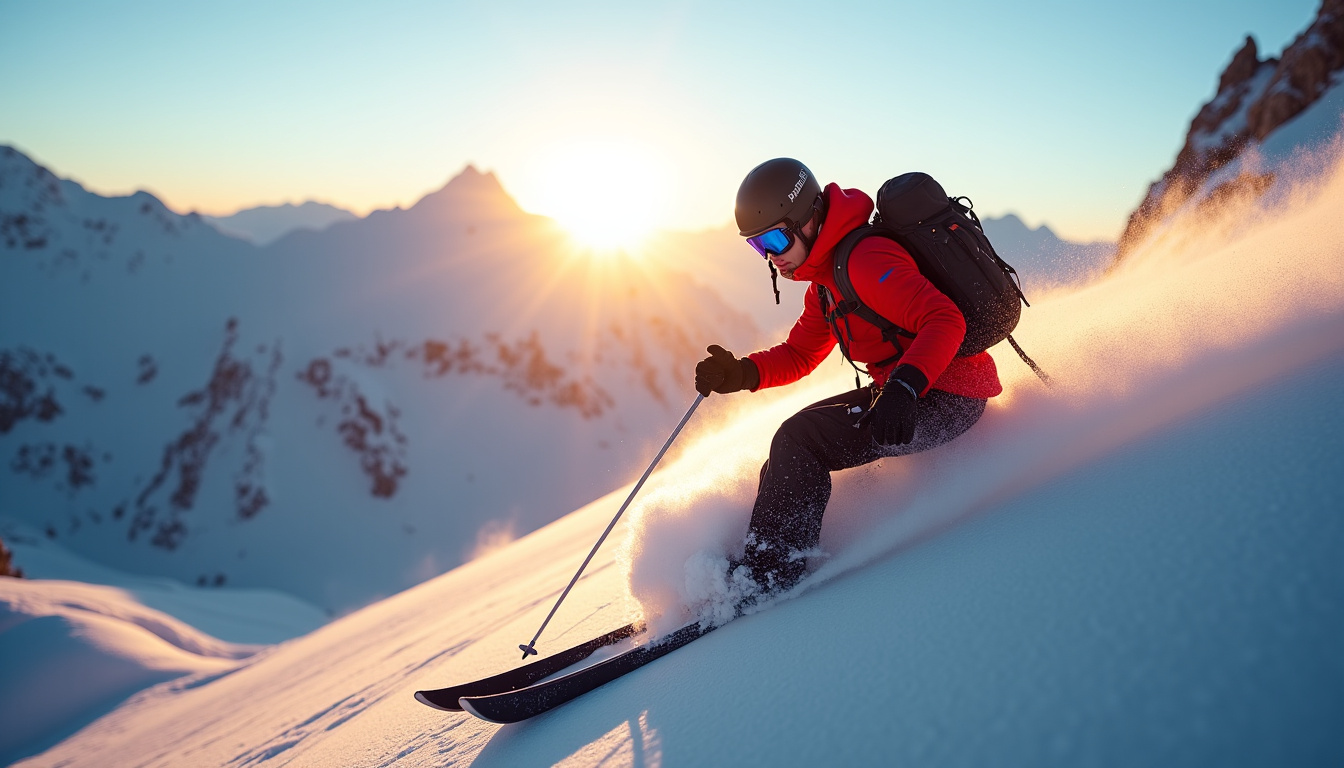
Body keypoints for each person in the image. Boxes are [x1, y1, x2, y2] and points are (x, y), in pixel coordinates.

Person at [695, 158, 1002, 595]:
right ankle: (765, 557)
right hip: (913, 393)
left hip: (947, 396)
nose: (770, 257)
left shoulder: (863, 261)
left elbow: (945, 320)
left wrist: (904, 387)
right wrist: (741, 373)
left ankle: (771, 575)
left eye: (775, 239)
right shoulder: (826, 280)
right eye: (757, 247)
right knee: (794, 439)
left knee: (801, 440)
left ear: (807, 219)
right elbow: (800, 353)